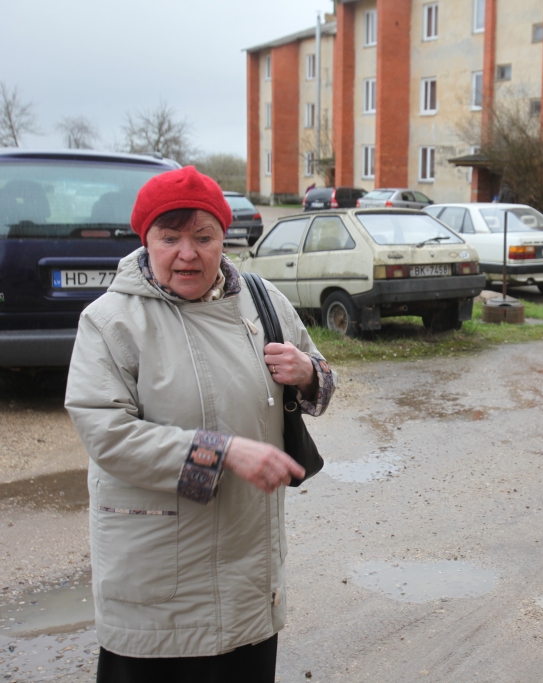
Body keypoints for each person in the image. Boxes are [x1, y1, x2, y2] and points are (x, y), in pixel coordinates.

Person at [65, 166, 337, 683]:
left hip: (248, 566)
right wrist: (222, 453)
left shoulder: (262, 301)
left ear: (223, 239)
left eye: (203, 237)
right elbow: (107, 434)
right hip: (156, 576)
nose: (187, 254)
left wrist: (307, 373)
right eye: (170, 238)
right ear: (146, 241)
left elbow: (321, 378)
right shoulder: (110, 320)